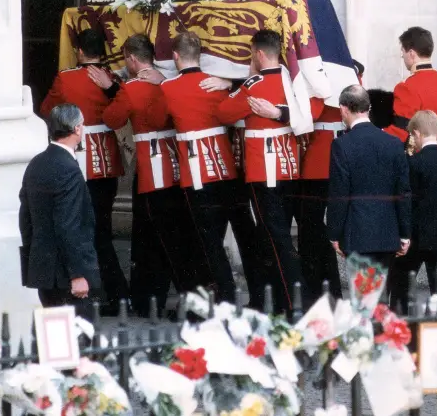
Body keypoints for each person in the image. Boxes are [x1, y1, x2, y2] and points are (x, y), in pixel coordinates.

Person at [137, 31, 263, 304]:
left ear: (175, 57)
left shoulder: (169, 88)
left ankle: (225, 300)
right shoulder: (218, 84)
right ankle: (259, 296)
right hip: (227, 169)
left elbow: (156, 120)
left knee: (209, 243)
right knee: (245, 235)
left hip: (197, 174)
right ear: (202, 56)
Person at [95, 34, 212, 313]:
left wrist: (114, 89)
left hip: (151, 169)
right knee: (171, 236)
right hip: (177, 166)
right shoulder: (168, 81)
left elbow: (112, 119)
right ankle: (154, 299)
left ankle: (163, 300)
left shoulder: (133, 88)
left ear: (132, 59)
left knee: (155, 239)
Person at [39, 27, 128, 314]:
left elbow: (47, 109)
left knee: (85, 231)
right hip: (107, 161)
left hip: (80, 161)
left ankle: (101, 292)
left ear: (79, 51)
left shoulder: (66, 78)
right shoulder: (112, 79)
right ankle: (115, 293)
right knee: (102, 229)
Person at [216, 30, 305, 312]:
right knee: (277, 237)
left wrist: (232, 82)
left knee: (275, 238)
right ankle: (280, 302)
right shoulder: (293, 81)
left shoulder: (254, 84)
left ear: (258, 53)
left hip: (263, 170)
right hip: (290, 167)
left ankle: (293, 303)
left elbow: (224, 113)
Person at [19, 104, 100, 319]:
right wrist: (78, 274)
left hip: (43, 271)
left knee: (55, 341)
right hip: (67, 276)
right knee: (79, 343)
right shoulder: (68, 168)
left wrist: (35, 262)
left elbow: (25, 219)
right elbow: (69, 225)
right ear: (77, 129)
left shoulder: (36, 163)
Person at [293, 59, 365, 300]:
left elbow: (310, 111)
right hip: (343, 156)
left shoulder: (324, 71)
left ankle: (321, 289)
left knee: (311, 227)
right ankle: (331, 288)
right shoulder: (350, 71)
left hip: (319, 160)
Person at [327, 85, 411, 271]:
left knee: (361, 297)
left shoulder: (341, 145)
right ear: (368, 108)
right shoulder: (394, 143)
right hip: (388, 234)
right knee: (381, 298)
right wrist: (405, 233)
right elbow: (403, 192)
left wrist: (334, 233)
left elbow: (339, 193)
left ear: (344, 108)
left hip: (356, 235)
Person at [389, 111, 437, 311]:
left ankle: (400, 326)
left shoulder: (414, 163)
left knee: (401, 290)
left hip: (417, 236)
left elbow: (408, 201)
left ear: (418, 133)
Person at [384, 27, 437, 159]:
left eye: (402, 52)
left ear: (411, 53)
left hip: (417, 164)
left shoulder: (406, 87)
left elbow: (399, 134)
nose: (402, 56)